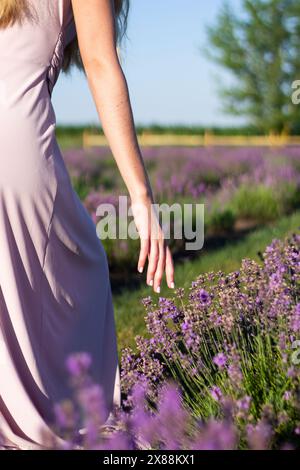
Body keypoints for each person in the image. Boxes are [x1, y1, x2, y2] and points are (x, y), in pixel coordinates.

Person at [0, 0, 174, 449]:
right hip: (15, 143)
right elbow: (100, 64)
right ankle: (62, 416)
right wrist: (141, 196)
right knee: (86, 267)